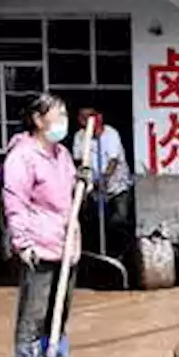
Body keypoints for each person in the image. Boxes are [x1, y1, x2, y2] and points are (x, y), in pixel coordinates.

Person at [3, 93, 89, 357]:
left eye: (65, 114)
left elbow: (68, 196)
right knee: (34, 314)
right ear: (39, 120)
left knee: (58, 312)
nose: (63, 121)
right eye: (58, 115)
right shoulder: (22, 156)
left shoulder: (62, 155)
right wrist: (22, 243)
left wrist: (83, 182)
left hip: (66, 244)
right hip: (38, 245)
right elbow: (15, 203)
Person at [72, 107, 133, 255]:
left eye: (88, 117)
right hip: (95, 187)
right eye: (81, 117)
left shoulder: (111, 134)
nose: (83, 121)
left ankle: (120, 253)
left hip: (117, 185)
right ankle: (99, 253)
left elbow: (113, 160)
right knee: (96, 221)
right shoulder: (79, 136)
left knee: (120, 220)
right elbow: (79, 161)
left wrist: (104, 178)